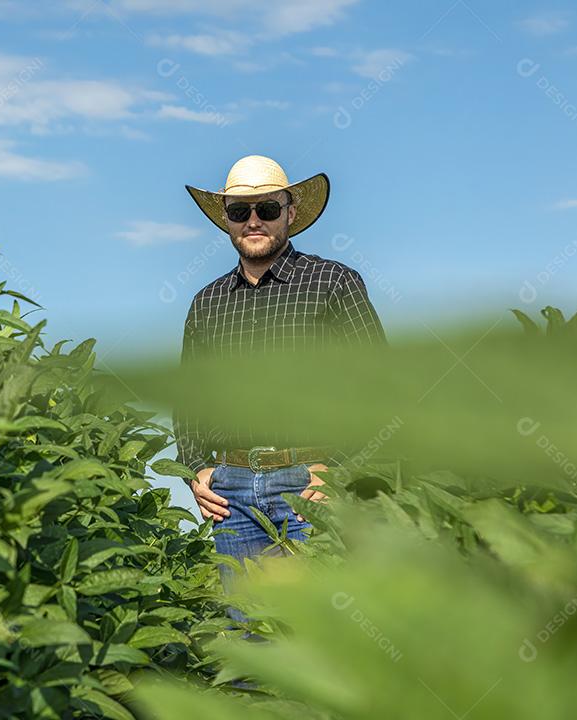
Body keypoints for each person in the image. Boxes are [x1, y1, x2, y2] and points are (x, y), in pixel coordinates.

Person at [174, 154, 387, 623]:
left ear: (290, 213)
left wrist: (344, 468)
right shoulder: (206, 302)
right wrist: (196, 468)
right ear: (225, 218)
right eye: (240, 211)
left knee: (320, 637)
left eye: (267, 209)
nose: (253, 221)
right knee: (251, 644)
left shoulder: (332, 283)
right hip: (231, 493)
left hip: (308, 483)